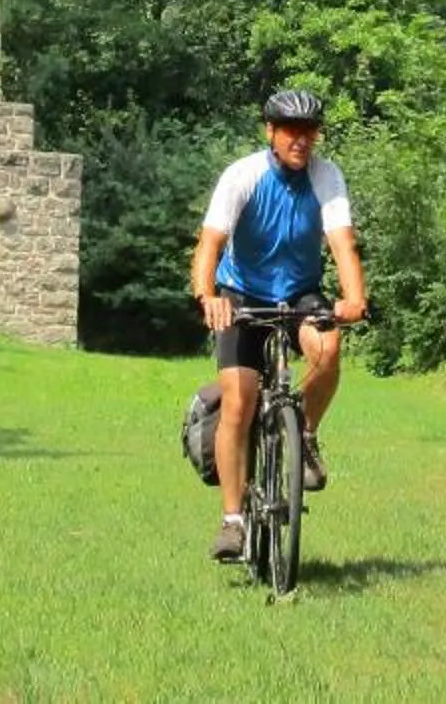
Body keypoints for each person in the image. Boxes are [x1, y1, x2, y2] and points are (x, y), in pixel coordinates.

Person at [192, 87, 370, 563]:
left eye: (310, 130)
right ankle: (233, 520)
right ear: (270, 131)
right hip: (242, 295)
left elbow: (342, 243)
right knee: (239, 401)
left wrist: (354, 297)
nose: (301, 139)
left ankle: (304, 435)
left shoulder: (326, 176)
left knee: (328, 349)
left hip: (299, 292)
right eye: (291, 130)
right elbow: (210, 243)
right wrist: (208, 297)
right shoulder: (243, 175)